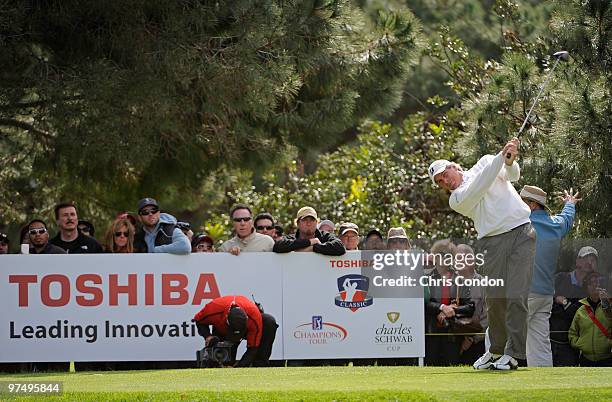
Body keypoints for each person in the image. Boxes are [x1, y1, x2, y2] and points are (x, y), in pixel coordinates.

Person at [429, 137, 535, 370]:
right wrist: (500, 158)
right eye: (439, 182)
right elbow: (480, 186)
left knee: (516, 296)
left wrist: (509, 159)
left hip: (521, 233)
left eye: (445, 174)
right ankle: (496, 351)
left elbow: (513, 174)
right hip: (492, 242)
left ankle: (515, 353)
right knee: (495, 300)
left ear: (454, 166)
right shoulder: (457, 199)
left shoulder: (487, 162)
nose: (445, 182)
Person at [519, 185, 579, 367]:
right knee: (539, 344)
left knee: (497, 333)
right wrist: (570, 203)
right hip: (545, 294)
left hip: (525, 293)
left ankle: (492, 381)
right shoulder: (555, 224)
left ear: (531, 205)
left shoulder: (521, 224)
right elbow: (567, 218)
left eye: (521, 202)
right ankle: (542, 385)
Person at [425, 240, 475, 366]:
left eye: (448, 255)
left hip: (452, 336)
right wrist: (442, 308)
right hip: (430, 335)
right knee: (429, 371)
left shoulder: (460, 280)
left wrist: (452, 310)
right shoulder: (426, 279)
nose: (444, 258)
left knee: (451, 370)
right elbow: (424, 303)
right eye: (440, 254)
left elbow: (470, 307)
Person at [192, 295, 279, 367]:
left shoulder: (254, 318)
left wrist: (239, 367)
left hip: (249, 327)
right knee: (224, 360)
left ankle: (260, 365)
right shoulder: (214, 308)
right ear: (226, 319)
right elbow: (198, 320)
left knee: (269, 321)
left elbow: (253, 348)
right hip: (222, 330)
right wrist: (208, 336)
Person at [551, 246, 598, 366]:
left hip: (571, 347)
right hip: (550, 340)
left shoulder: (590, 290)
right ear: (577, 261)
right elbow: (548, 302)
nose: (589, 262)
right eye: (585, 258)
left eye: (593, 260)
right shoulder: (560, 278)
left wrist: (564, 302)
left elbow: (577, 313)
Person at [568, 272, 612, 366]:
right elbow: (573, 332)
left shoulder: (609, 306)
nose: (595, 286)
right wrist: (579, 344)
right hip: (586, 359)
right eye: (591, 283)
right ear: (586, 287)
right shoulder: (581, 309)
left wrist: (606, 303)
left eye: (597, 283)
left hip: (607, 358)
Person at [455, 244, 488, 364]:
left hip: (476, 343)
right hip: (453, 342)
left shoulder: (483, 284)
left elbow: (488, 315)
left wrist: (472, 338)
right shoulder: (452, 282)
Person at [273, 207, 345, 256]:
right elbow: (278, 246)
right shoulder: (291, 238)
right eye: (304, 220)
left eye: (312, 220)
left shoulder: (325, 236)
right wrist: (310, 242)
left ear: (317, 222)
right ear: (298, 223)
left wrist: (313, 248)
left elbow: (340, 247)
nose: (309, 223)